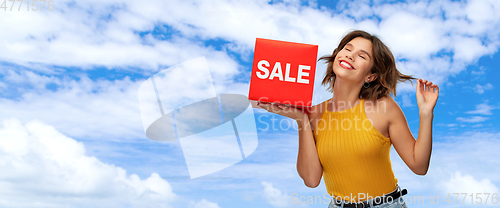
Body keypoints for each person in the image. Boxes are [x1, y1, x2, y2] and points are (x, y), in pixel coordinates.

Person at [257, 30, 439, 208]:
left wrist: (425, 113)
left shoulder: (383, 107)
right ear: (337, 55)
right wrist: (301, 121)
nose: (350, 56)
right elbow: (311, 180)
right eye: (348, 49)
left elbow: (419, 166)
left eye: (362, 56)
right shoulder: (312, 114)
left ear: (371, 76)